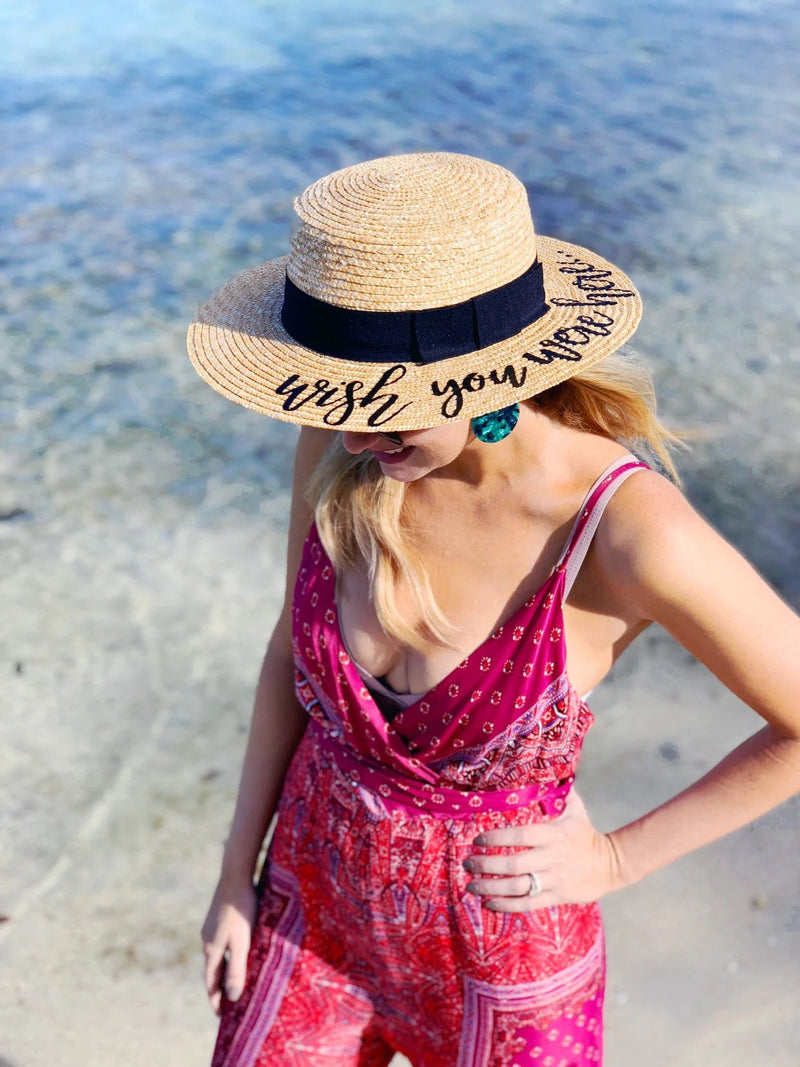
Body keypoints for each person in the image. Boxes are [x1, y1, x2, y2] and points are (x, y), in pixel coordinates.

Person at [187, 152, 800, 1067]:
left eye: (386, 407)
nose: (352, 431)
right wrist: (237, 871)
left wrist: (618, 858)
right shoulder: (344, 432)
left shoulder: (624, 533)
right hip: (307, 908)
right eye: (344, 398)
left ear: (487, 377)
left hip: (504, 964)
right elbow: (289, 645)